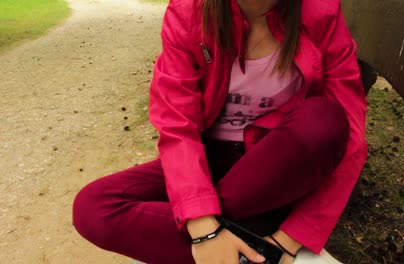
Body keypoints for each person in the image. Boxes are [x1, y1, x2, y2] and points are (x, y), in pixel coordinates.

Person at [72, 0, 368, 263]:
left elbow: (351, 134)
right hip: (208, 160)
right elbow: (177, 125)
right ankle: (255, 249)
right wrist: (203, 228)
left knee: (324, 120)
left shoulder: (321, 11)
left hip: (276, 164)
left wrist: (291, 236)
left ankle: (234, 240)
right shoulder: (188, 12)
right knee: (94, 208)